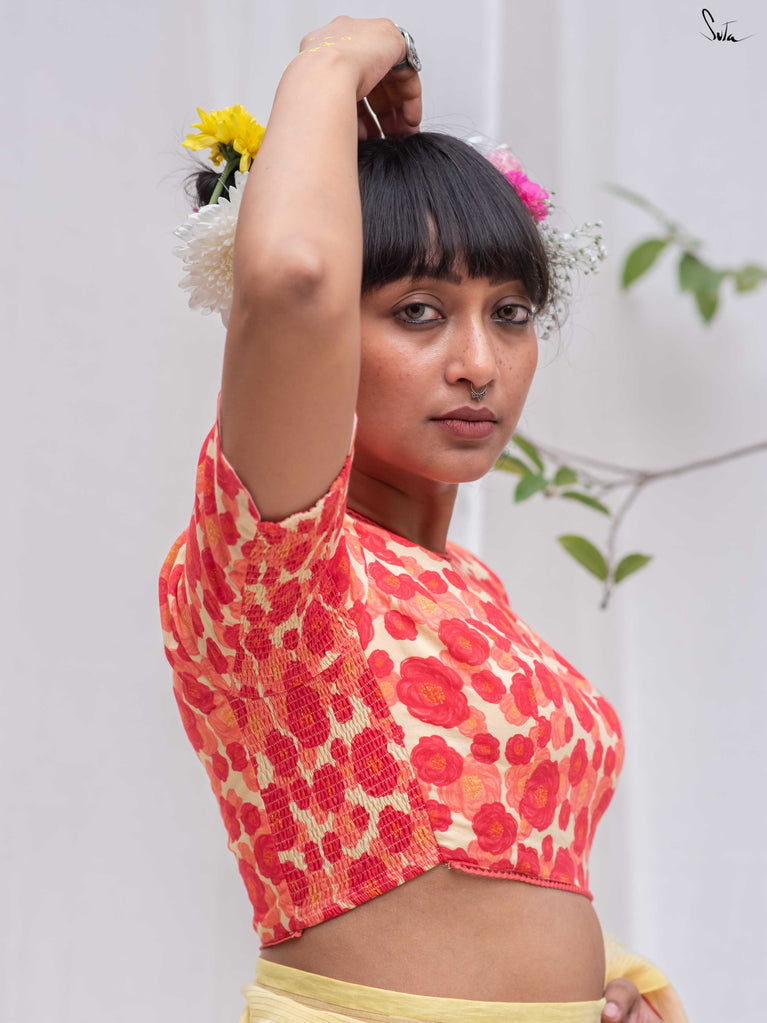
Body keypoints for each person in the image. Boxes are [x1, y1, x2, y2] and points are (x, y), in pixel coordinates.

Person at [160, 16, 687, 1023]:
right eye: (417, 311)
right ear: (323, 339)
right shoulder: (277, 565)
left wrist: (602, 984)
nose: (478, 364)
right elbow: (293, 277)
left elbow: (496, 882)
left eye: (509, 312)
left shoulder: (472, 590)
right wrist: (342, 55)